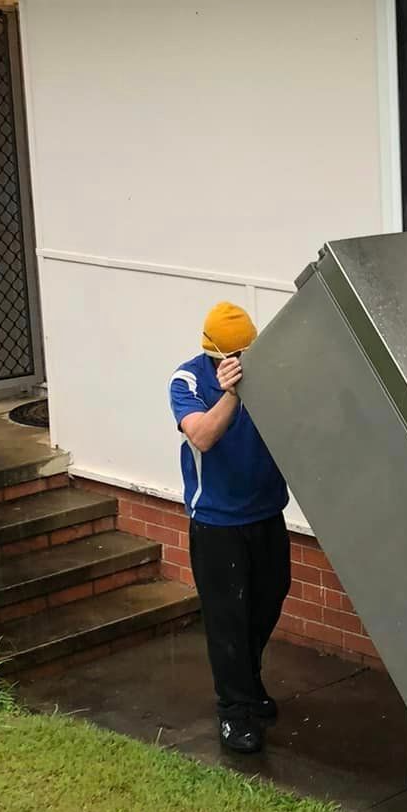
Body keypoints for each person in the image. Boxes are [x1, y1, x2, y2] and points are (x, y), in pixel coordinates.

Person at [170, 302, 290, 755]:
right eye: (234, 355)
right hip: (217, 522)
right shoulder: (187, 380)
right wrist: (233, 395)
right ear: (216, 354)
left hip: (266, 513)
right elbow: (201, 435)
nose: (242, 361)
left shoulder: (269, 376)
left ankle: (249, 682)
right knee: (227, 620)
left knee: (270, 596)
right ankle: (233, 712)